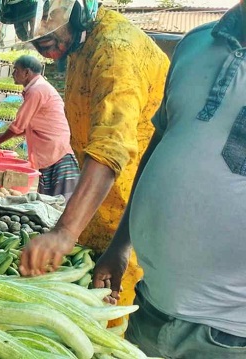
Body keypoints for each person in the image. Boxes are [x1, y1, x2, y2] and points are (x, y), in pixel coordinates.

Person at [0, 0, 170, 313]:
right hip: (100, 217)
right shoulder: (79, 45)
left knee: (111, 323)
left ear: (76, 6)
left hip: (131, 229)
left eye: (46, 22)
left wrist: (65, 232)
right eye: (28, 29)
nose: (36, 38)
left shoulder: (115, 49)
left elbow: (110, 147)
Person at [91, 4, 246, 357]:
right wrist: (120, 246)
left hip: (229, 334)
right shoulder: (196, 43)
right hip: (151, 308)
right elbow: (160, 144)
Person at [0, 55, 78, 199]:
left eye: (16, 70)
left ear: (27, 73)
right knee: (50, 198)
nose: (13, 74)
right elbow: (23, 127)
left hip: (55, 150)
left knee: (58, 201)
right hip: (52, 149)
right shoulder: (37, 88)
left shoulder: (37, 90)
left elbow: (18, 125)